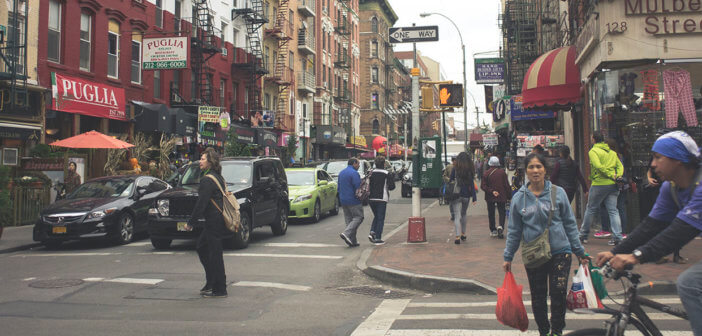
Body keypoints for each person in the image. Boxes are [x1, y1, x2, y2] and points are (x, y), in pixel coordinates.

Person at [594, 130, 702, 335]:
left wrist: (636, 256)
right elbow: (651, 226)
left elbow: (679, 232)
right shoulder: (670, 188)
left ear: (678, 159)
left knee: (689, 283)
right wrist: (616, 251)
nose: (652, 164)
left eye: (658, 157)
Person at [504, 152, 589, 336]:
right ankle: (544, 331)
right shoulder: (519, 198)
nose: (535, 171)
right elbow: (514, 230)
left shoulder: (558, 194)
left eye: (539, 167)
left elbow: (570, 224)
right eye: (531, 167)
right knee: (538, 296)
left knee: (558, 293)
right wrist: (508, 256)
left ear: (545, 170)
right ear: (525, 171)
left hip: (561, 251)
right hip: (534, 254)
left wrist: (579, 251)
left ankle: (557, 331)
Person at [184, 148, 228, 298]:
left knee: (215, 253)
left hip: (213, 220)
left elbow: (201, 203)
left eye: (202, 159)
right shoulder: (218, 177)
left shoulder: (207, 180)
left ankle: (220, 288)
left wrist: (191, 222)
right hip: (217, 219)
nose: (200, 161)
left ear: (210, 162)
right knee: (202, 247)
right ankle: (212, 281)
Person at [579, 133, 624, 246]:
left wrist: (609, 174)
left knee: (591, 208)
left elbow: (598, 166)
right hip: (613, 184)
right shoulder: (612, 152)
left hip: (599, 183)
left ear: (593, 139)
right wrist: (616, 175)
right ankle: (617, 237)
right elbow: (620, 166)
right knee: (613, 210)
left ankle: (583, 235)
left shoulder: (593, 152)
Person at [449, 152, 477, 244]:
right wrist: (474, 197)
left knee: (457, 215)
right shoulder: (469, 170)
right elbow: (472, 184)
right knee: (464, 213)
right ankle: (463, 234)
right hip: (466, 195)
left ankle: (457, 236)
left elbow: (451, 180)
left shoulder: (455, 169)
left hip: (456, 194)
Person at [481, 156, 511, 239]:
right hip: (501, 195)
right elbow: (506, 185)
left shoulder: (486, 173)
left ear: (489, 163)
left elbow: (483, 186)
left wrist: (491, 191)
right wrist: (509, 196)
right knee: (502, 211)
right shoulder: (502, 173)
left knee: (491, 213)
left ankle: (493, 230)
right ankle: (500, 226)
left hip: (490, 196)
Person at [367, 156, 395, 245]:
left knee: (377, 216)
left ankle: (372, 232)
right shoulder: (387, 173)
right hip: (382, 198)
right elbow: (392, 187)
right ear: (384, 164)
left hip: (371, 198)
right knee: (380, 218)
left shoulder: (370, 173)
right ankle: (378, 238)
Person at [338, 158, 364, 247]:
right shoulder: (354, 173)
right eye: (358, 164)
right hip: (353, 199)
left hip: (343, 199)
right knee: (359, 217)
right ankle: (346, 233)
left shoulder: (341, 173)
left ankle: (352, 240)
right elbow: (357, 187)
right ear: (354, 163)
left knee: (349, 220)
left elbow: (339, 187)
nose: (359, 166)